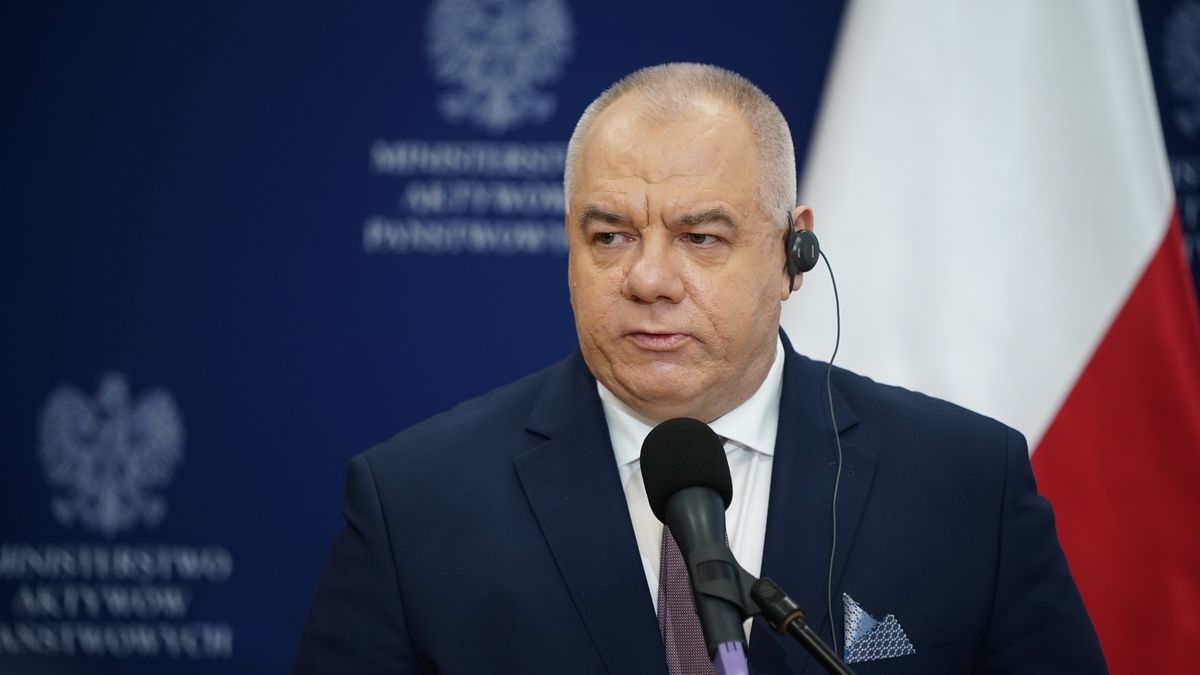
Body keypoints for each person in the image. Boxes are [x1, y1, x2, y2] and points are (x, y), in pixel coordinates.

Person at [293, 63, 1106, 674]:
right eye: (609, 235)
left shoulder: (966, 483)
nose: (647, 279)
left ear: (795, 252)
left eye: (700, 237)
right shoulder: (415, 505)